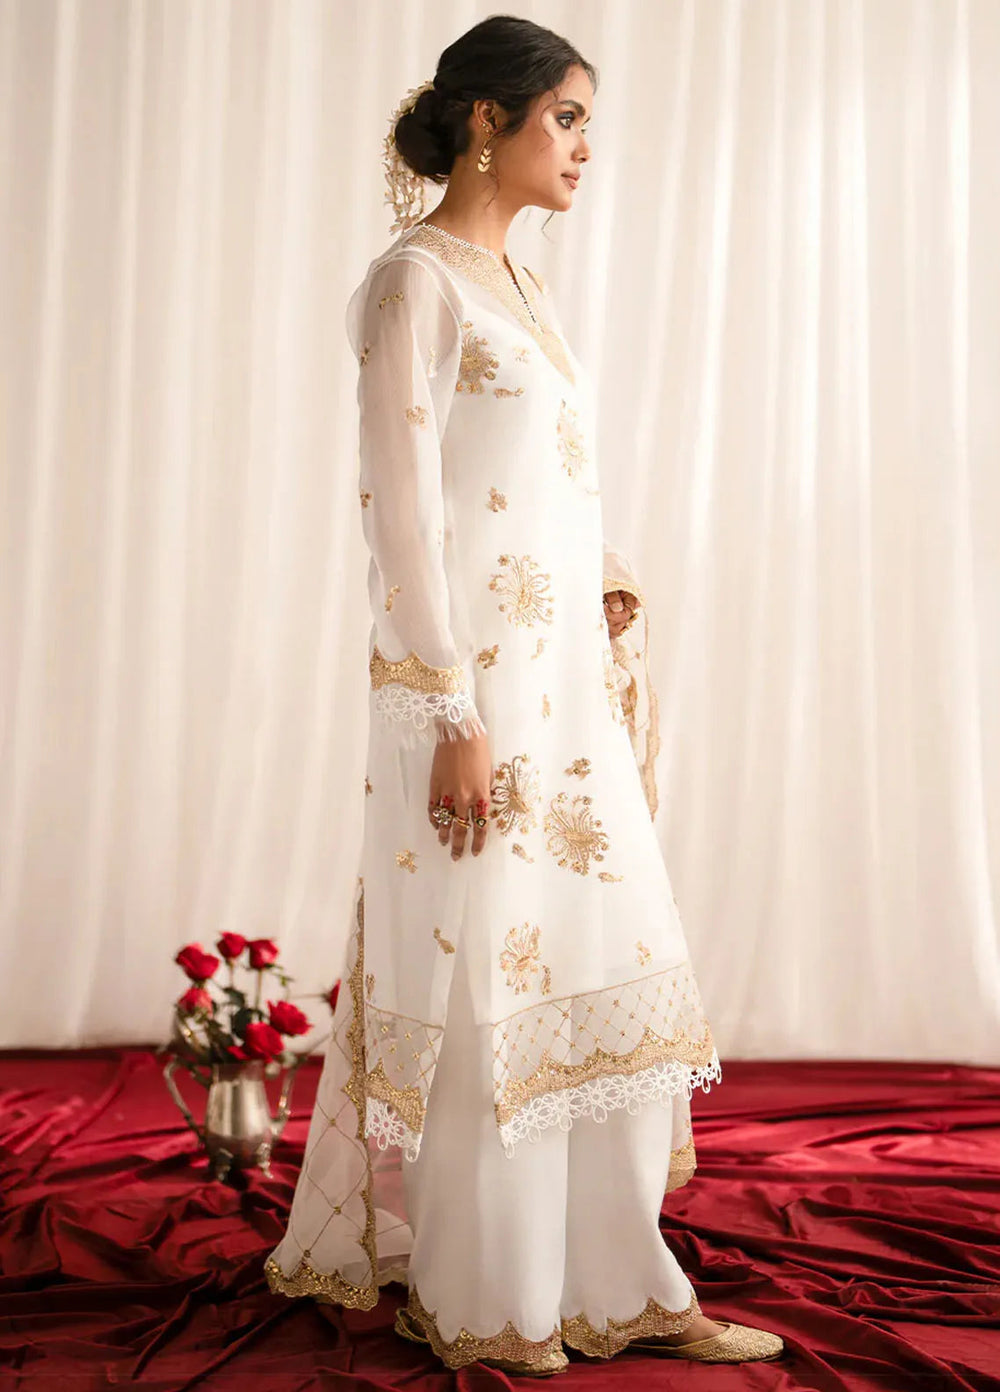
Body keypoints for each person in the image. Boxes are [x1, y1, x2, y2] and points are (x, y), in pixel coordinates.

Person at [265, 14, 784, 1376]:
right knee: (487, 978)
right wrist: (451, 715)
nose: (587, 146)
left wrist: (601, 582)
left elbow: (531, 487)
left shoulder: (518, 285)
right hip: (473, 700)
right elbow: (401, 519)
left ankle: (624, 1279)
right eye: (567, 116)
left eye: (588, 120)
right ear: (487, 123)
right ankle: (494, 1297)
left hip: (566, 699)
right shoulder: (412, 284)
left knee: (597, 960)